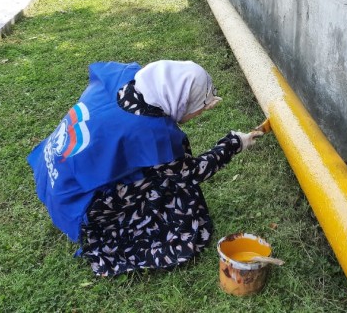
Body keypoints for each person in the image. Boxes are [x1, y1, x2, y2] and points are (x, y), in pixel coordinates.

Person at [27, 60, 264, 277]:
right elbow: (191, 172)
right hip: (75, 204)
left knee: (162, 173)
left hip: (53, 178)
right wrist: (234, 143)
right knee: (170, 183)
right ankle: (113, 232)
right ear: (179, 100)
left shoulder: (125, 79)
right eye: (200, 107)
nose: (201, 112)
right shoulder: (152, 134)